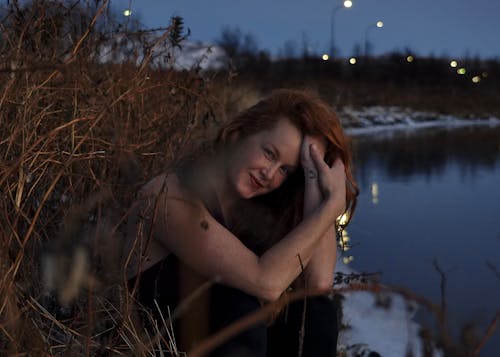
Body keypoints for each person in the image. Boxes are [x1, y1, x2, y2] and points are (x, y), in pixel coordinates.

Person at [123, 88, 359, 356]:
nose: (270, 174)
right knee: (236, 303)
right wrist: (331, 207)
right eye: (269, 153)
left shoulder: (259, 215)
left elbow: (317, 287)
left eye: (286, 170)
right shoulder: (167, 195)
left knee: (314, 311)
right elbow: (265, 282)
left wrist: (313, 180)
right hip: (166, 347)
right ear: (238, 134)